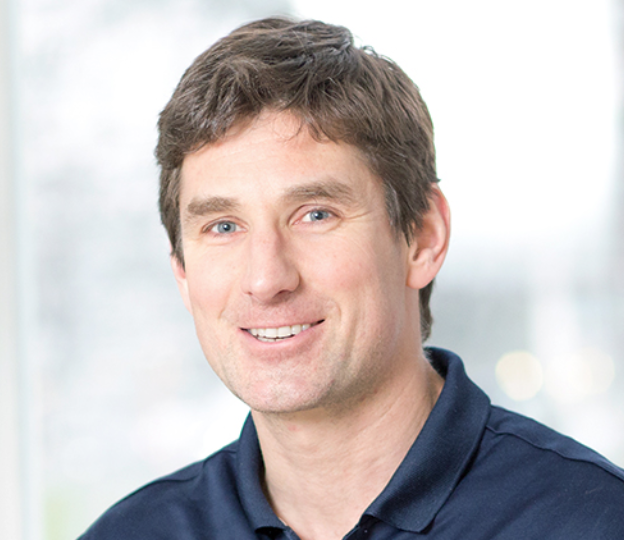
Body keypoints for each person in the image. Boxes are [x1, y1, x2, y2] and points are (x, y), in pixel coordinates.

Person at [79, 17, 624, 540]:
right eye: (223, 226)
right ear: (180, 269)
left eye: (316, 214)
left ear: (423, 237)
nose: (266, 279)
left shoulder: (594, 524)